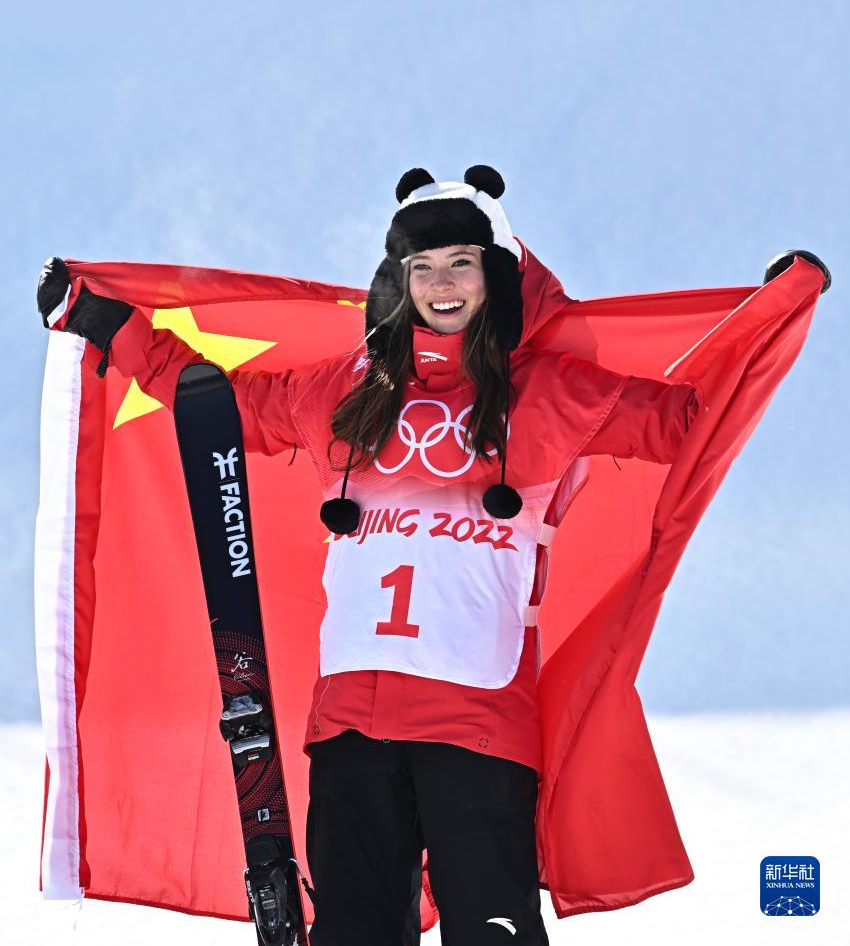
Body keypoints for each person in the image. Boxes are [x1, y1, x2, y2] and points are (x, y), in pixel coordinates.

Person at [37, 164, 707, 946]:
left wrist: (773, 321)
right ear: (398, 279)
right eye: (422, 267)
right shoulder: (346, 392)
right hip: (352, 729)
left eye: (461, 262)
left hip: (480, 728)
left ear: (498, 272)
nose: (441, 284)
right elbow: (217, 404)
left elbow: (693, 421)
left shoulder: (553, 393)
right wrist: (109, 323)